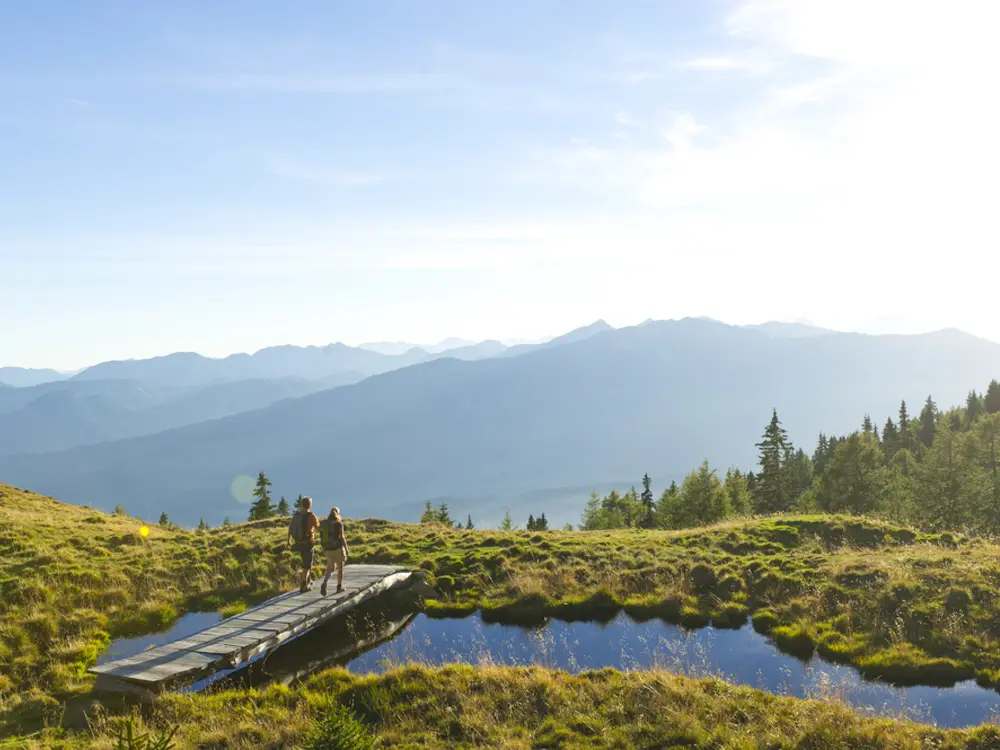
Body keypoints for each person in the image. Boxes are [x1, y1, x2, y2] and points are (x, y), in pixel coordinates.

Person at [287, 496, 321, 593]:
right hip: (308, 543)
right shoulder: (311, 516)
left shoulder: (296, 515)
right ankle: (303, 585)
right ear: (310, 505)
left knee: (305, 562)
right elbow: (318, 528)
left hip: (298, 543)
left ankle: (309, 580)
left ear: (301, 505)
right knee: (307, 566)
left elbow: (290, 528)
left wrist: (288, 541)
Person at [319, 506, 349, 596]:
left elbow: (323, 537)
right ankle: (339, 587)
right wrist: (346, 548)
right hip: (337, 548)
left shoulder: (324, 523)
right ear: (338, 514)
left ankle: (325, 582)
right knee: (340, 568)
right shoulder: (338, 524)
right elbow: (342, 537)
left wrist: (324, 548)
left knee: (330, 569)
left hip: (328, 549)